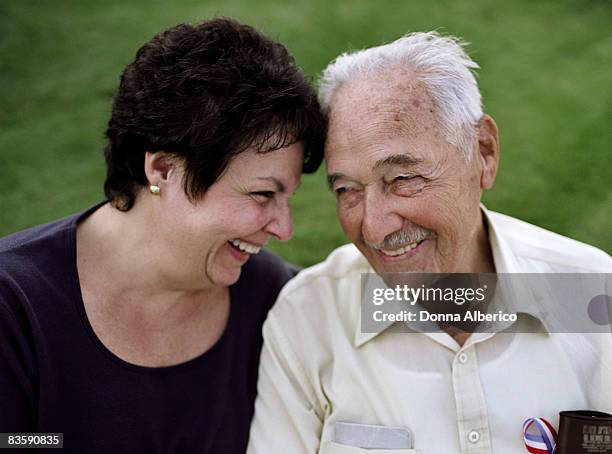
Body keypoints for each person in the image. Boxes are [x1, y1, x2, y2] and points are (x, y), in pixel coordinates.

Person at [247, 32, 612, 453]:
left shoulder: (593, 291)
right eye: (347, 189)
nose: (374, 229)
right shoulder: (308, 319)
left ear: (484, 153)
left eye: (403, 179)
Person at [0, 18, 325, 453]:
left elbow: (418, 301)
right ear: (164, 170)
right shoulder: (14, 306)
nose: (284, 228)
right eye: (262, 194)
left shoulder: (271, 294)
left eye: (287, 199)